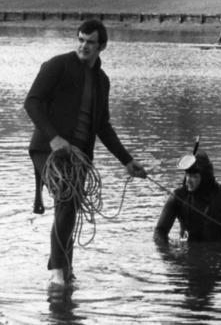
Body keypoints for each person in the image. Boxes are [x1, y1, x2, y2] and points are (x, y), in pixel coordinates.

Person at [24, 19, 147, 291]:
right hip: (47, 149)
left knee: (69, 211)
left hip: (79, 157)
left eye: (90, 42)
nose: (83, 46)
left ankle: (66, 269)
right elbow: (31, 102)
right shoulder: (57, 65)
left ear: (101, 46)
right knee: (67, 199)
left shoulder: (102, 81)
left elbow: (103, 126)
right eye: (80, 40)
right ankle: (57, 276)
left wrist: (127, 161)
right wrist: (54, 138)